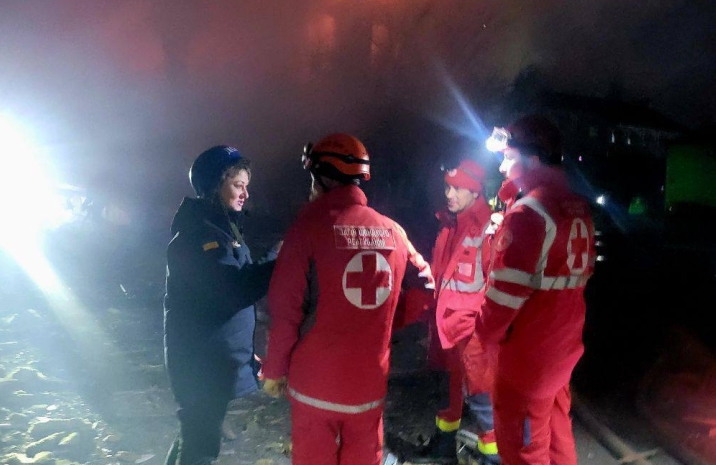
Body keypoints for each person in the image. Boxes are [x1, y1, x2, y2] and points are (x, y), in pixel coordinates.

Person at [261, 133, 431, 465]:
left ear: (323, 177)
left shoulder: (307, 228)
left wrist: (275, 370)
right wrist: (386, 321)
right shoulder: (393, 231)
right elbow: (425, 287)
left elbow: (286, 309)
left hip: (314, 386)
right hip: (368, 386)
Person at [481, 115, 595, 465]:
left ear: (531, 158)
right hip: (561, 350)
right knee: (559, 439)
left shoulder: (528, 214)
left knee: (523, 453)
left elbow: (501, 301)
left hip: (526, 363)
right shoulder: (578, 206)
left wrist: (483, 336)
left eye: (508, 157)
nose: (502, 166)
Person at [163, 145, 280, 465]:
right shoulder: (201, 236)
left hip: (210, 360)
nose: (245, 193)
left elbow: (234, 283)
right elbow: (232, 291)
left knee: (195, 436)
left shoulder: (218, 229)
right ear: (215, 185)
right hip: (200, 364)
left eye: (246, 186)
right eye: (237, 185)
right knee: (201, 447)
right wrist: (280, 260)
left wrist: (241, 353)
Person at [410, 159, 500, 465]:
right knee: (447, 393)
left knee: (482, 399)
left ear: (475, 192)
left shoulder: (490, 230)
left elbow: (497, 287)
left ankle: (494, 458)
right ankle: (444, 447)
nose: (449, 194)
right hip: (447, 328)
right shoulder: (449, 224)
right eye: (448, 186)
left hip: (473, 334)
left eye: (458, 188)